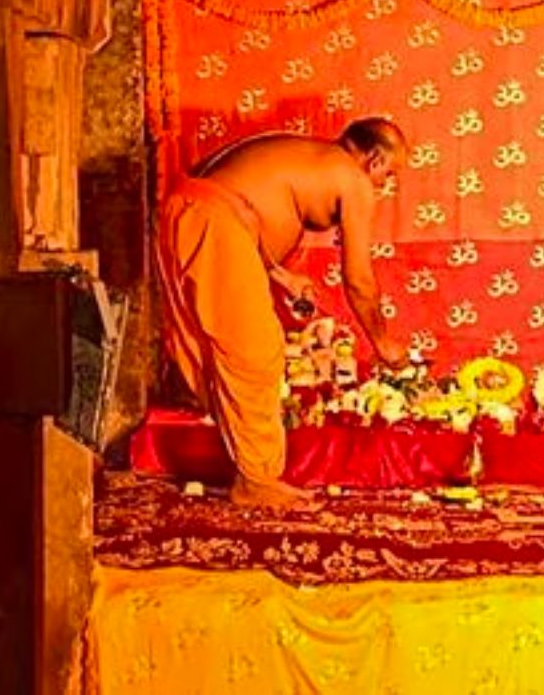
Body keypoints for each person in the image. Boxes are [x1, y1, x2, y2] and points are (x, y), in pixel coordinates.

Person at [155, 117, 411, 509]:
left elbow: (240, 200)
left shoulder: (304, 154)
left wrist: (279, 275)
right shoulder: (354, 178)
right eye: (389, 175)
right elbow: (358, 278)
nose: (385, 186)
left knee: (223, 349)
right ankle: (256, 480)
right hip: (215, 221)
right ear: (375, 159)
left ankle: (249, 469)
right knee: (255, 353)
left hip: (191, 210)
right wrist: (382, 341)